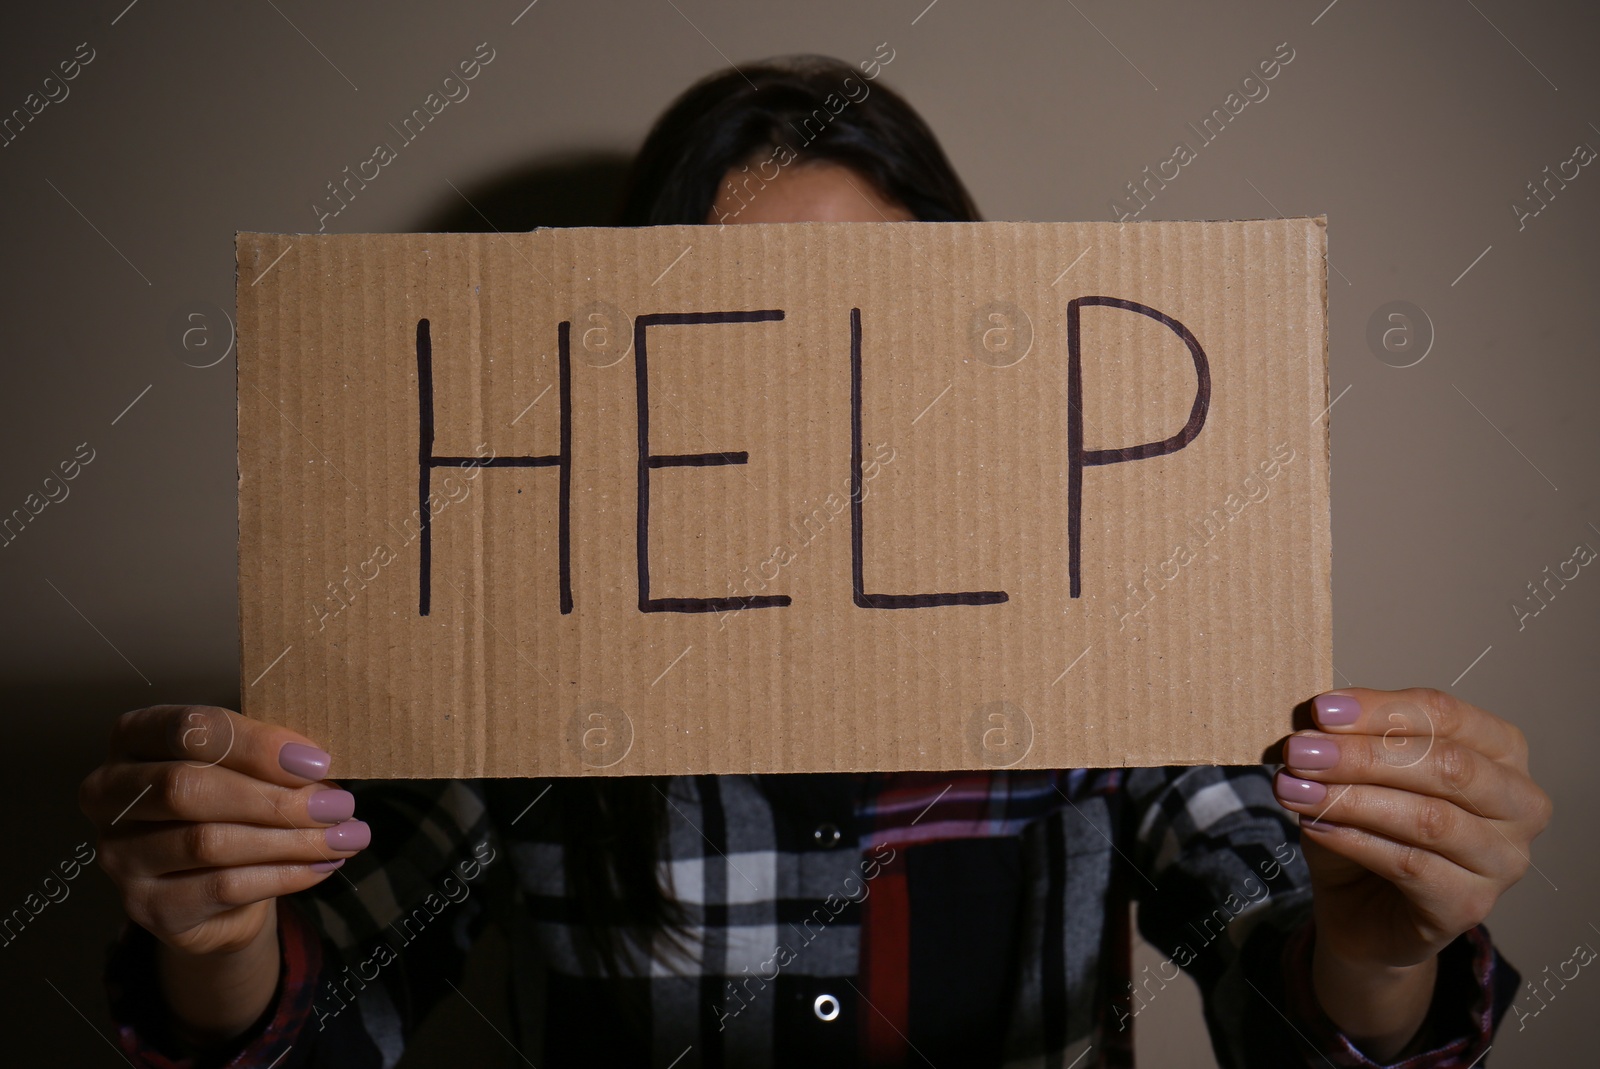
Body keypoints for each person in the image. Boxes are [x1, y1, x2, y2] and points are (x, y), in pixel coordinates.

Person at [81, 55, 1549, 1068]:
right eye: (738, 323)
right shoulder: (524, 664)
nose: (807, 401)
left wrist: (1378, 945)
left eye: (870, 315)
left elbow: (1292, 994)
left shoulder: (1109, 633)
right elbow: (316, 1014)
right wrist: (217, 928)